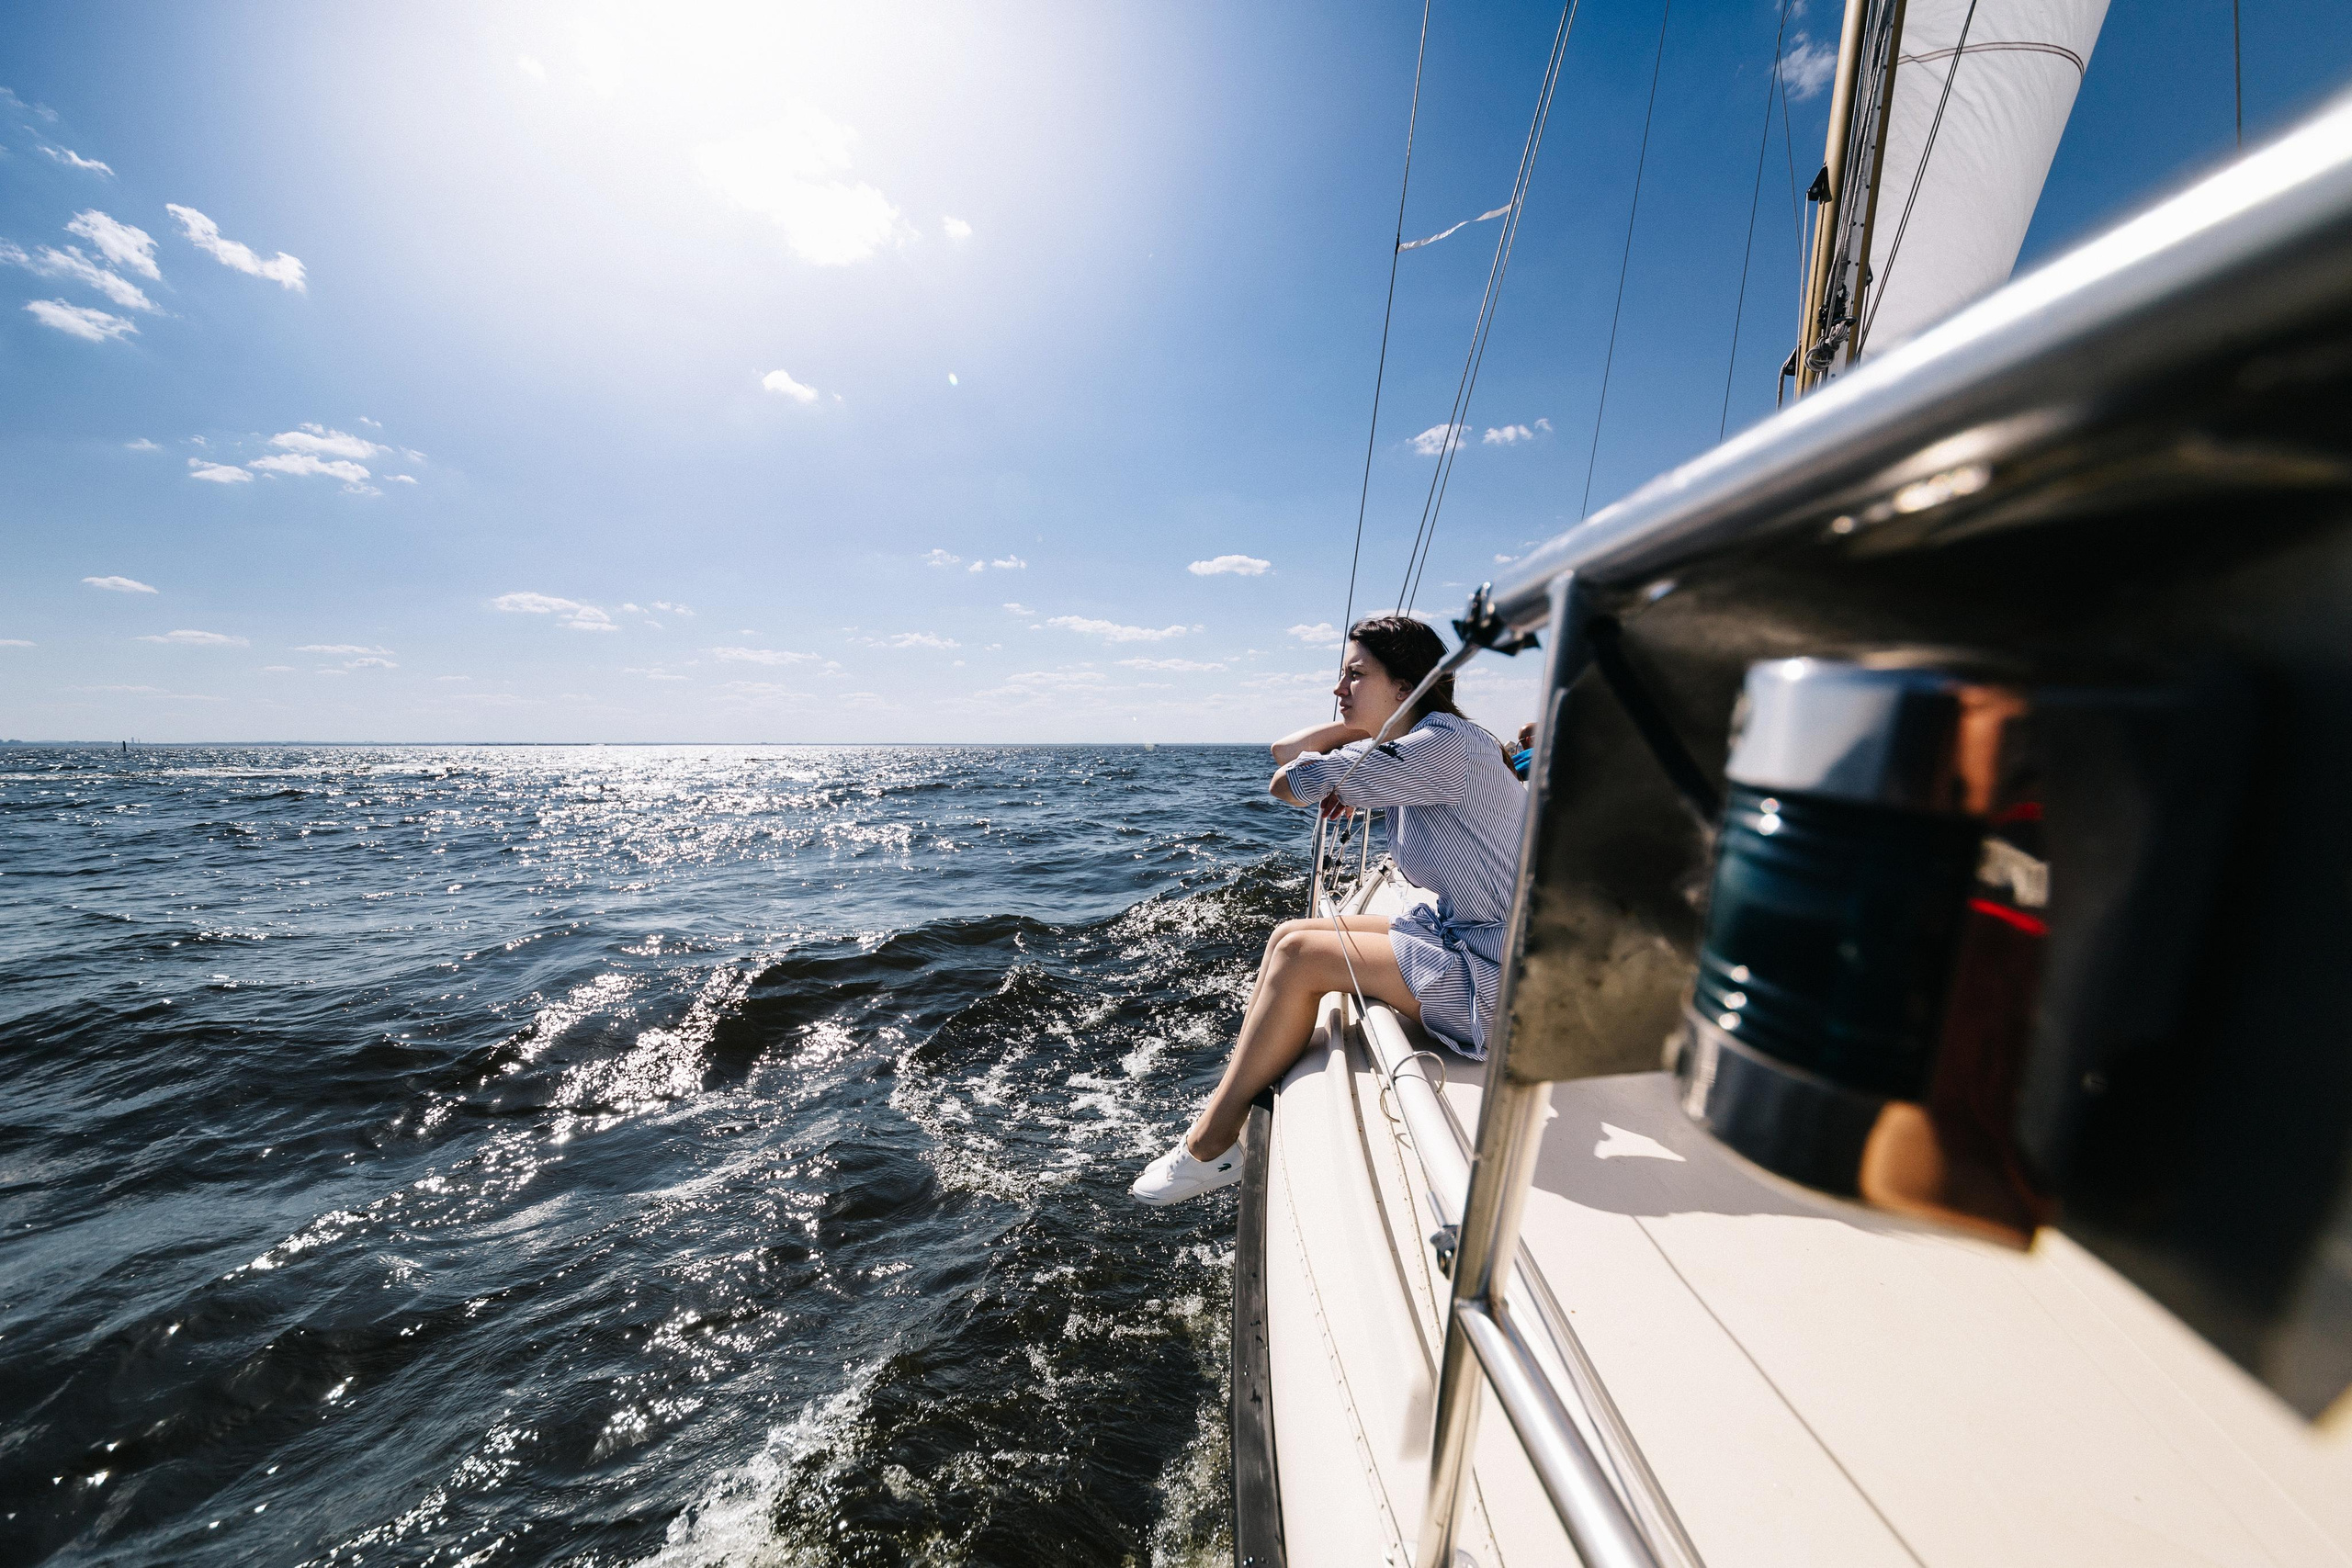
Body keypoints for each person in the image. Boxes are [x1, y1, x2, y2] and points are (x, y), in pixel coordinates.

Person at [1130, 615, 1526, 1205]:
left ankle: (1208, 1148)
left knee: (1298, 954)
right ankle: (1227, 1106)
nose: (1339, 691)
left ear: (1406, 686)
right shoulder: (1418, 745)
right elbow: (1283, 753)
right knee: (1293, 930)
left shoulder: (1446, 746)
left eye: (1355, 675)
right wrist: (1361, 739)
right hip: (1473, 931)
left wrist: (1351, 759)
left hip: (1510, 974)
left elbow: (1286, 780)